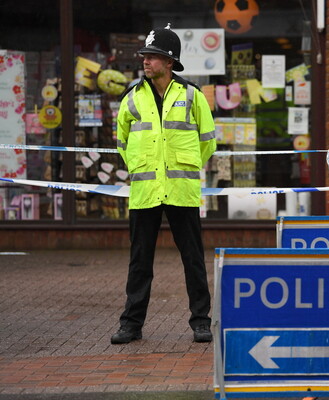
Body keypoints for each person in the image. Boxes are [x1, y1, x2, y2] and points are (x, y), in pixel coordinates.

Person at [111, 23, 216, 344]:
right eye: (144, 55)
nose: (145, 61)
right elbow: (122, 143)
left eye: (152, 57)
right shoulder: (132, 98)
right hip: (145, 192)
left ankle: (201, 322)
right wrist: (142, 169)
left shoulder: (192, 95)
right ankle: (131, 325)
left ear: (169, 62)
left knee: (193, 260)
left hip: (182, 191)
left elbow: (208, 141)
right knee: (139, 263)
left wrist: (187, 166)